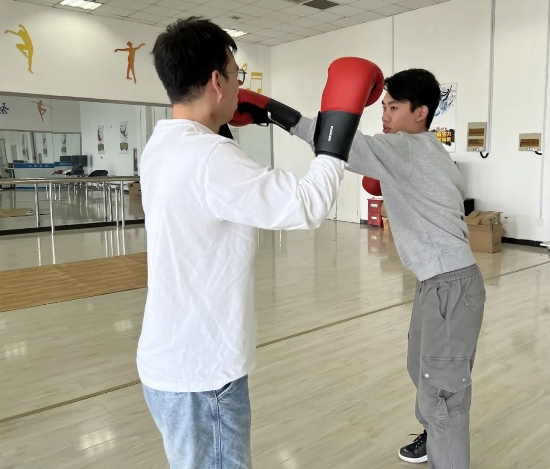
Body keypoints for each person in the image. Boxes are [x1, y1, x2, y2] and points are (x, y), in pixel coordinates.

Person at [136, 16, 382, 469]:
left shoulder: (161, 145)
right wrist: (337, 130)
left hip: (170, 359)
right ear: (217, 81)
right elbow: (307, 205)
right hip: (203, 372)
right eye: (237, 75)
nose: (239, 85)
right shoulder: (209, 157)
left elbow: (210, 194)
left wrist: (249, 118)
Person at [237, 68, 485, 469]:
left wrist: (273, 112)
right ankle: (433, 434)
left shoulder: (406, 148)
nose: (384, 115)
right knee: (421, 366)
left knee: (443, 393)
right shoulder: (431, 151)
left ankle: (445, 446)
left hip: (449, 285)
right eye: (383, 106)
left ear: (421, 112)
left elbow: (336, 141)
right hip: (436, 283)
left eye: (393, 107)